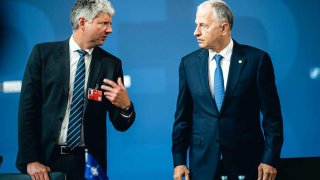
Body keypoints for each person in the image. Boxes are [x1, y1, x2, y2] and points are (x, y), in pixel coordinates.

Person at [16, 0, 136, 179]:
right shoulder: (43, 55)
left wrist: (126, 106)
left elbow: (120, 124)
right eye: (104, 23)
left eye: (110, 24)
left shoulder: (111, 65)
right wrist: (31, 160)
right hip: (46, 164)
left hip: (89, 166)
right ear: (82, 23)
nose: (110, 29)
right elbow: (28, 111)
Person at [172, 0, 283, 180]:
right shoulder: (188, 64)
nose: (196, 32)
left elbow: (273, 118)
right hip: (202, 164)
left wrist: (270, 159)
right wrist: (179, 161)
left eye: (203, 26)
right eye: (196, 25)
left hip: (247, 163)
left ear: (224, 28)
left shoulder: (257, 61)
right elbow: (182, 119)